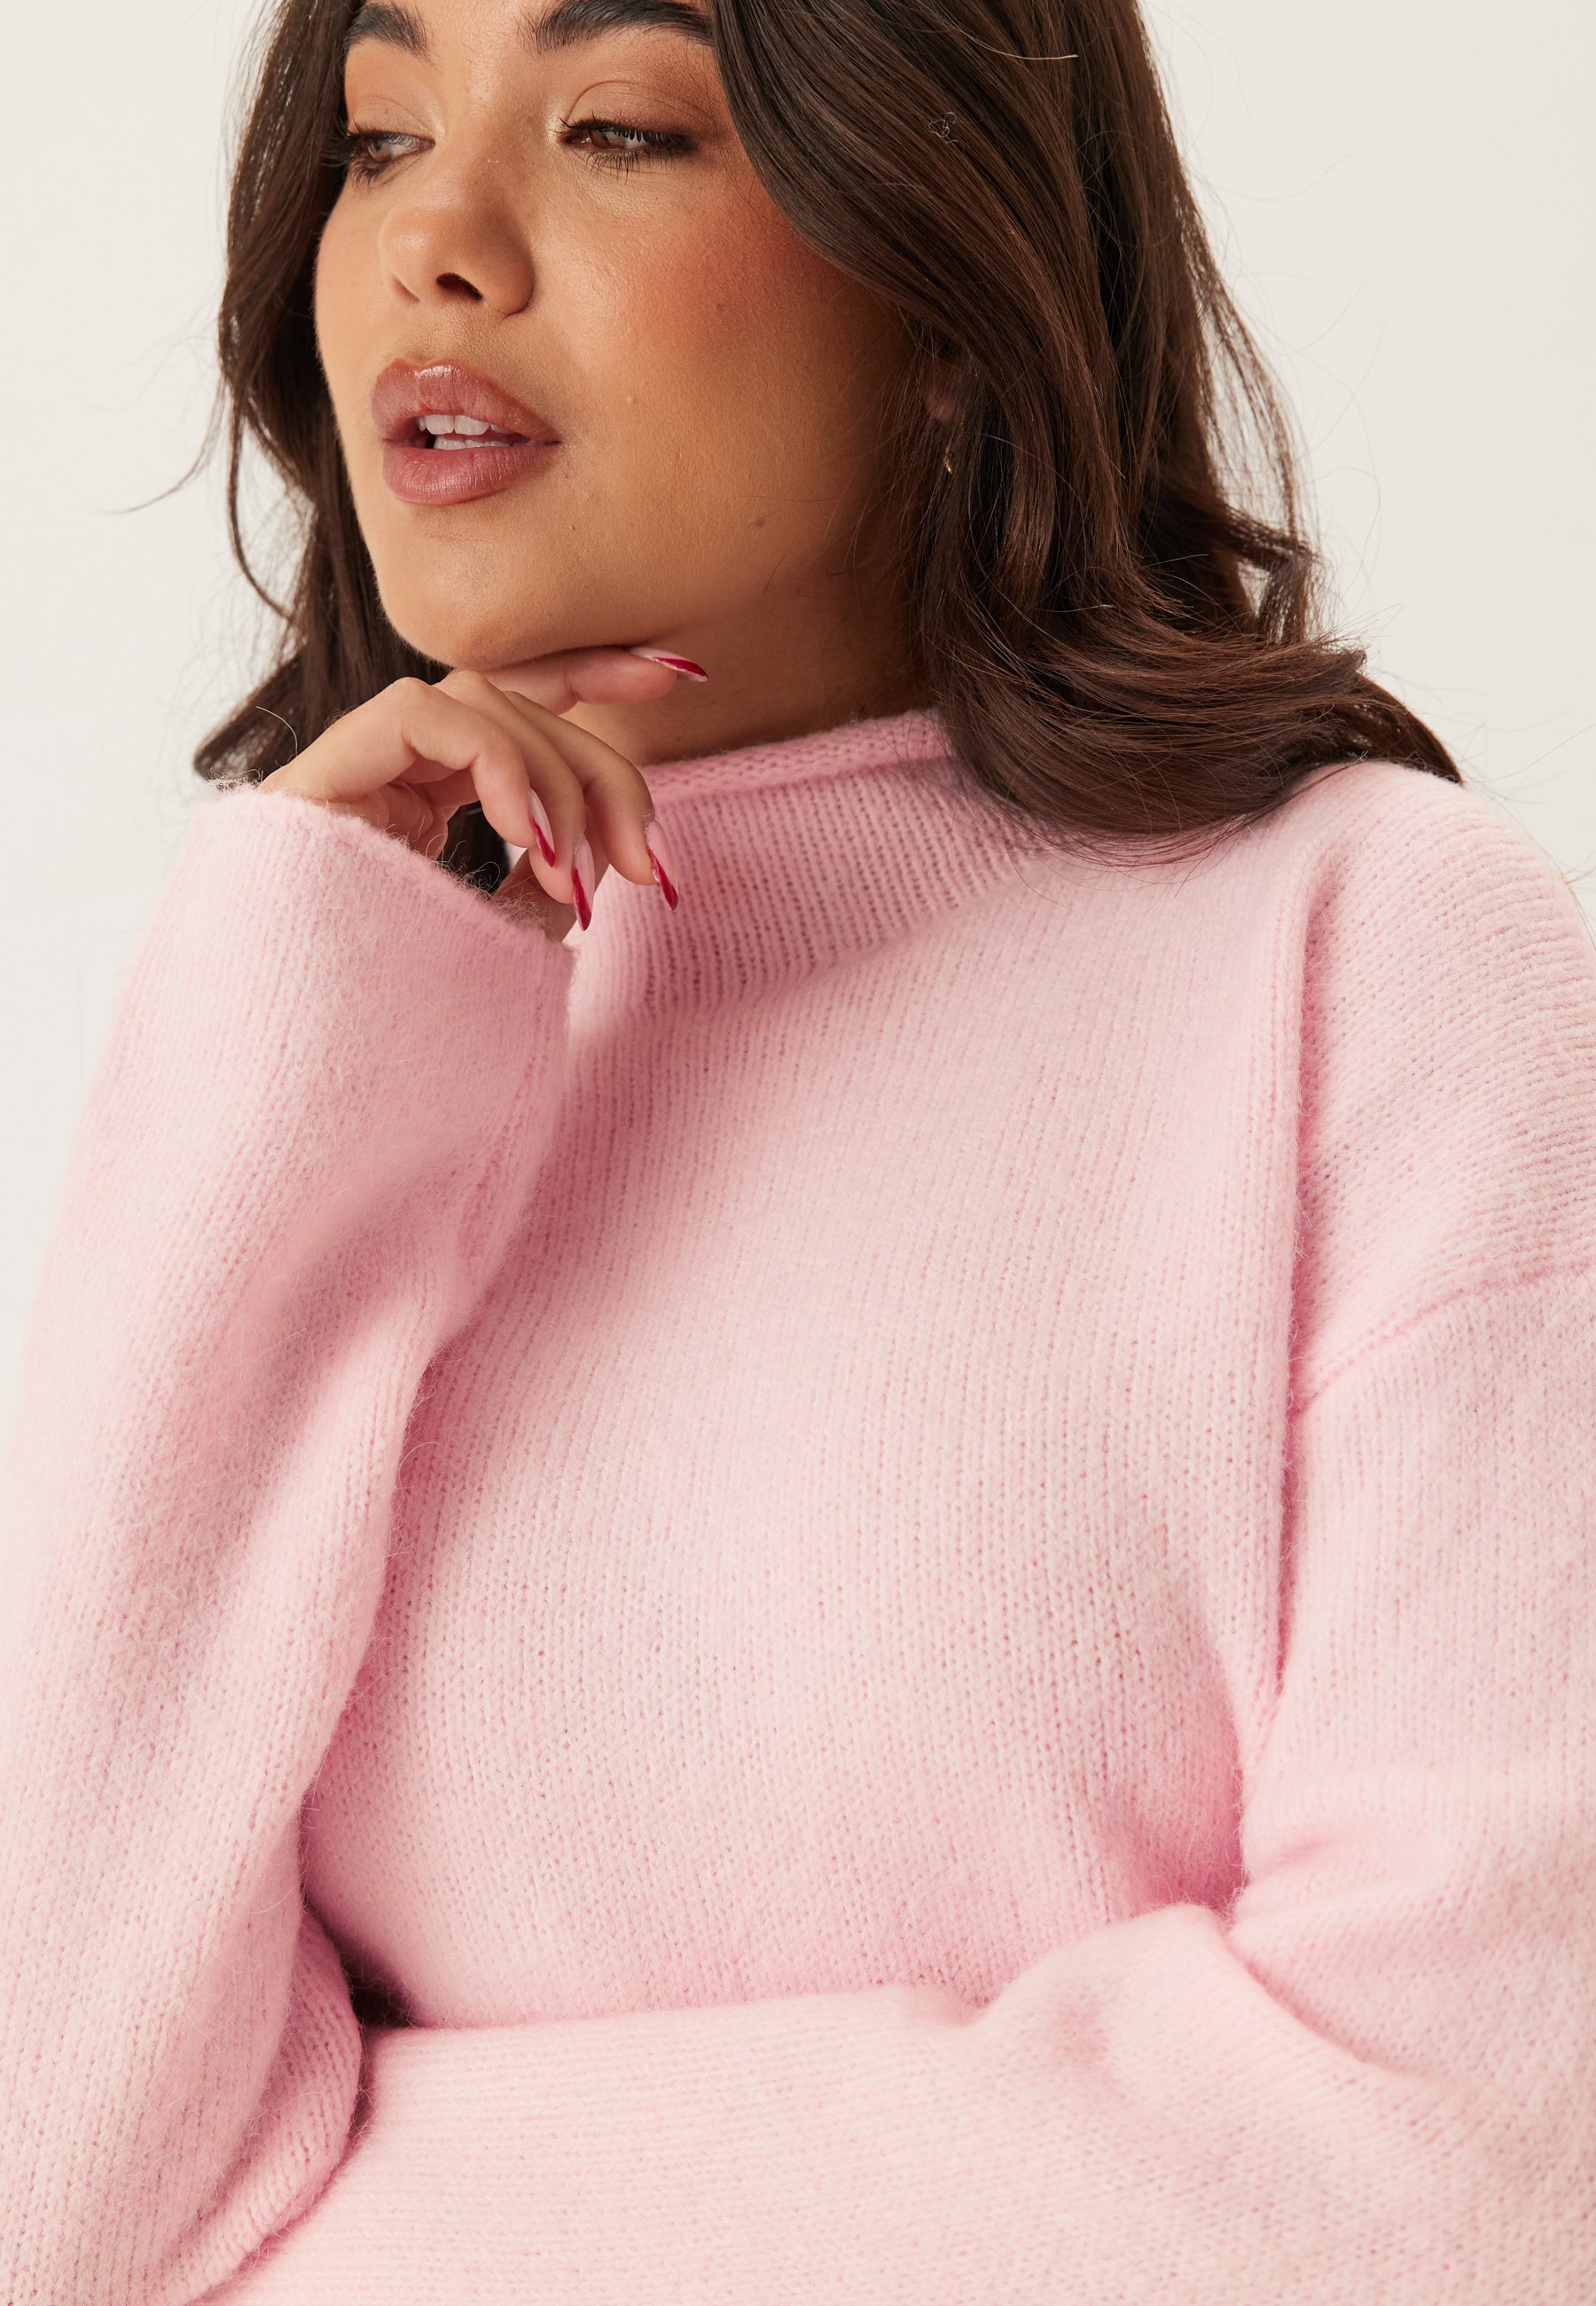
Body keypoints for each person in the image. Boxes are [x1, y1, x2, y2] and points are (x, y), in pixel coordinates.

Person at [2, 0, 1592, 2297]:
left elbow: (1480, 2168)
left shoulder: (1376, 963)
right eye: (376, 135)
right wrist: (282, 1038)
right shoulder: (339, 1050)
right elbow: (56, 2197)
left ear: (946, 285)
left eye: (617, 126)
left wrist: (350, 2206)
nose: (437, 241)